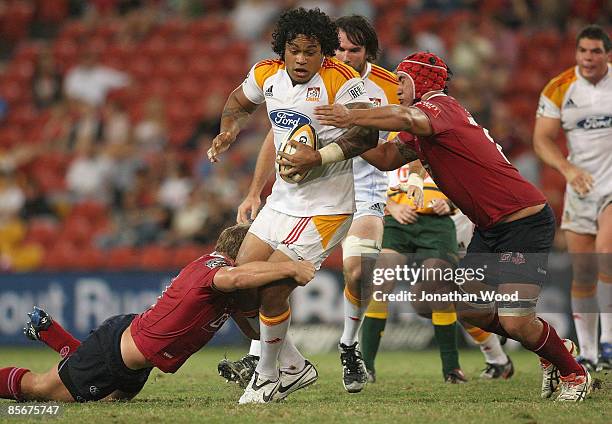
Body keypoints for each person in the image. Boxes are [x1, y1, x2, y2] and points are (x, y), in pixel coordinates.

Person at [280, 51, 592, 402]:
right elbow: (384, 159)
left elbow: (404, 116)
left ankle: (574, 373)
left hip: (524, 221)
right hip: (490, 229)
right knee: (469, 307)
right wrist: (341, 133)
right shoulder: (424, 125)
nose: (396, 87)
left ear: (421, 80)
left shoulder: (441, 106)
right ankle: (554, 349)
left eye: (401, 79)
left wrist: (352, 112)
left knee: (517, 321)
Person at [218, 14, 397, 394]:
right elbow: (238, 102)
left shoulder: (341, 81)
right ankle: (295, 365)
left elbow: (367, 135)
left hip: (325, 208)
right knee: (239, 286)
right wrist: (228, 129)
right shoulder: (266, 73)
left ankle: (267, 376)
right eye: (293, 51)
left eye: (310, 52)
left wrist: (320, 157)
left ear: (324, 54)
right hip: (280, 202)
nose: (300, 60)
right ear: (282, 50)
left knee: (272, 289)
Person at [0, 224, 316, 403]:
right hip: (116, 352)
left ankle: (49, 332)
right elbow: (236, 277)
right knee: (41, 390)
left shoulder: (228, 290)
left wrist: (274, 301)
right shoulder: (215, 268)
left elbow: (254, 330)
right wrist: (289, 267)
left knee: (100, 401)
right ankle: (50, 333)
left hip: (137, 362)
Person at [361, 154, 514, 383]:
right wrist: (392, 206)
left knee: (442, 292)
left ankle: (459, 367)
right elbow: (366, 180)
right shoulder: (386, 136)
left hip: (449, 224)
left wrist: (451, 203)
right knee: (390, 285)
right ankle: (365, 368)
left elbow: (476, 182)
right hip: (397, 220)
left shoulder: (450, 139)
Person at [533, 24, 612, 372]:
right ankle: (591, 352)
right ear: (576, 53)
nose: (589, 57)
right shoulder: (560, 87)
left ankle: (609, 342)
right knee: (582, 272)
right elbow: (542, 140)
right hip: (581, 186)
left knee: (605, 257)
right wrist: (567, 171)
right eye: (584, 51)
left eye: (596, 51)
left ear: (608, 54)